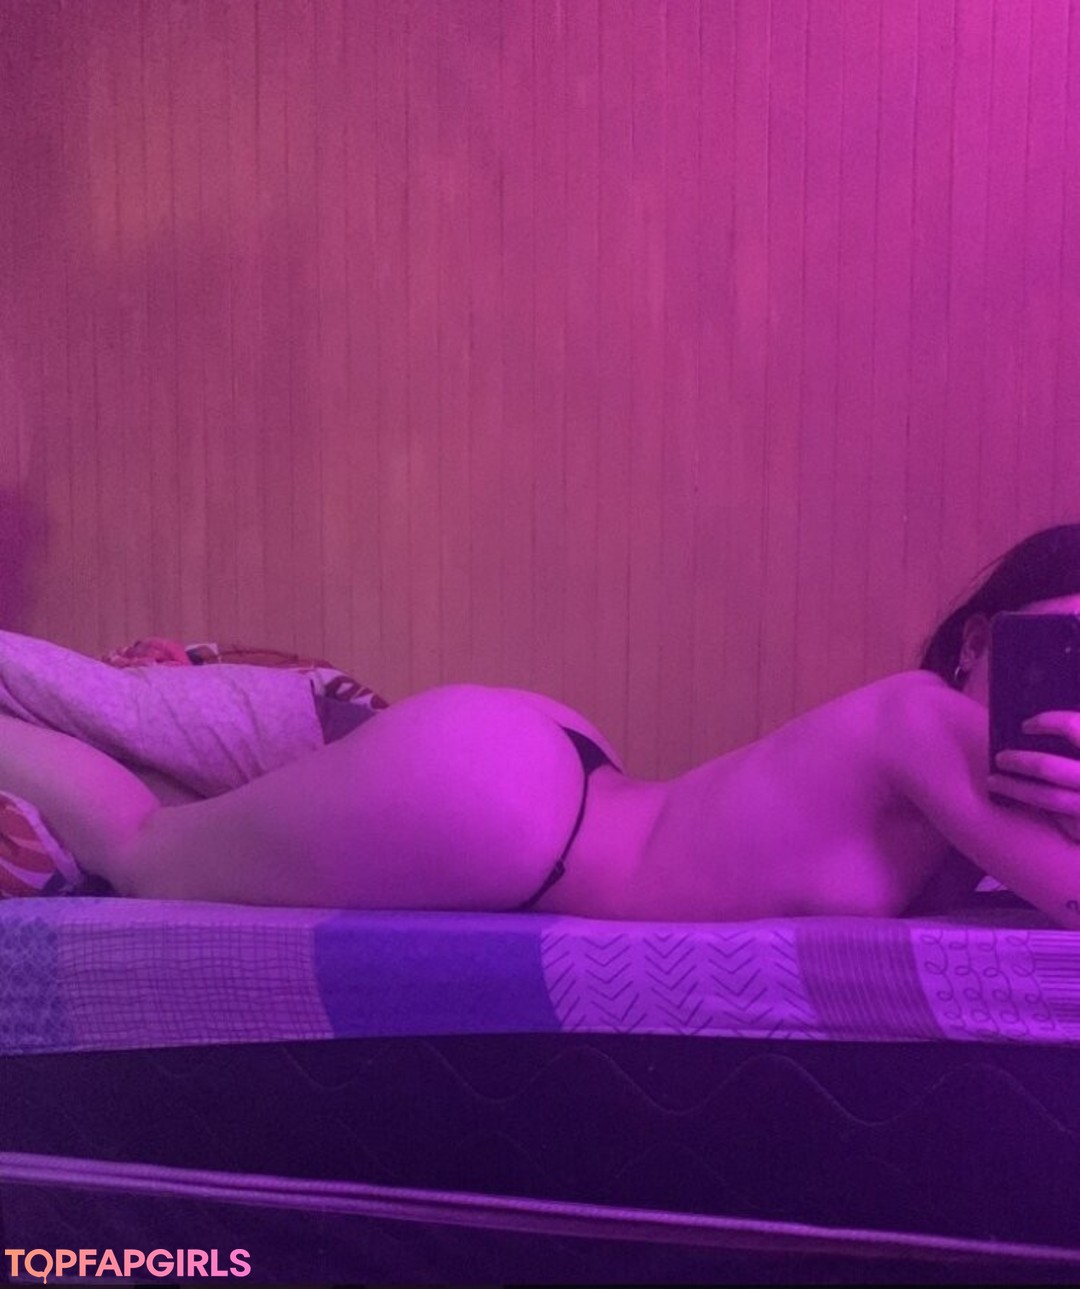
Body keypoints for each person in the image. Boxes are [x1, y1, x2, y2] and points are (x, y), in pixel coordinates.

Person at [4, 523, 1080, 927]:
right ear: (979, 642)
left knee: (196, 832)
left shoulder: (995, 803)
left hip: (549, 784)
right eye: (1065, 649)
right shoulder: (926, 717)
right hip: (519, 815)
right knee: (143, 854)